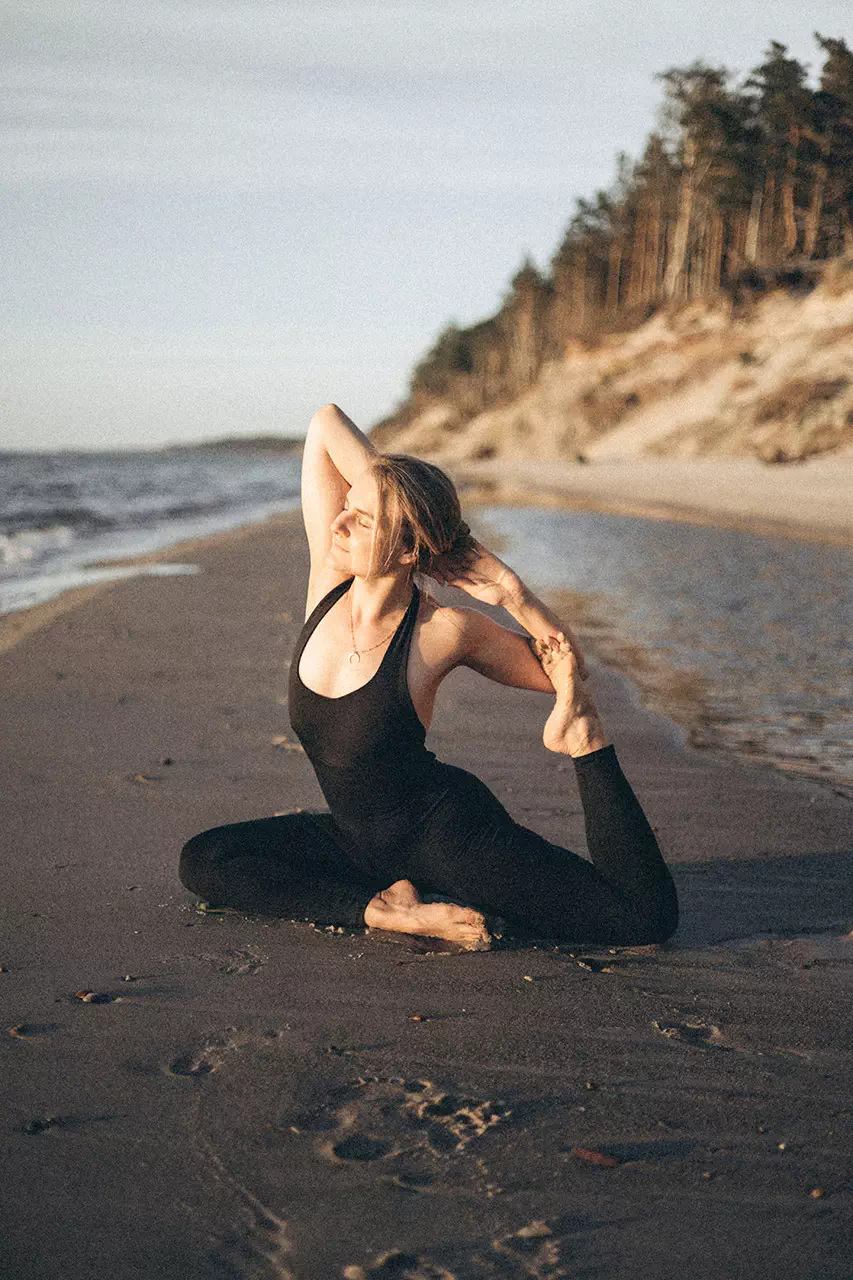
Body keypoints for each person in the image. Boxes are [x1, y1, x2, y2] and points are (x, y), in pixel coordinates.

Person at [180, 404, 678, 948]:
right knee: (205, 859)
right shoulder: (327, 582)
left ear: (409, 546)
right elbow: (325, 424)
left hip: (443, 837)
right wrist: (390, 491)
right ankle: (391, 911)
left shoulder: (443, 631)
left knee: (641, 921)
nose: (338, 524)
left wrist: (512, 592)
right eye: (347, 507)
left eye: (363, 520)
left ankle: (584, 740)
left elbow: (567, 671)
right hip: (352, 839)